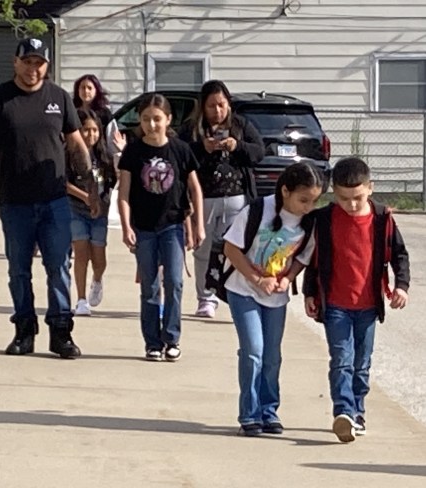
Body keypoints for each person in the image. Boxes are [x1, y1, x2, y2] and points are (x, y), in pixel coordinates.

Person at [0, 38, 98, 359]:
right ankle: (24, 331)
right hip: (15, 201)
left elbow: (75, 143)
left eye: (39, 63)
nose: (33, 69)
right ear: (16, 63)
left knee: (58, 267)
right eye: (27, 62)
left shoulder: (58, 98)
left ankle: (61, 333)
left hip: (54, 200)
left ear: (47, 65)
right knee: (19, 270)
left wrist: (90, 184)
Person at [303, 157, 410, 443]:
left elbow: (399, 255)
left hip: (368, 305)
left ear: (371, 188)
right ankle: (344, 412)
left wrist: (402, 286)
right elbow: (313, 260)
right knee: (342, 359)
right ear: (333, 193)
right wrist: (309, 292)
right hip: (335, 304)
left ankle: (358, 411)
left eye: (357, 198)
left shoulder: (381, 219)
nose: (350, 205)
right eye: (343, 198)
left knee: (362, 364)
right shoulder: (323, 220)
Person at [222, 162, 325, 436]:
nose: (308, 207)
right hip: (243, 289)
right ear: (285, 191)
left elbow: (302, 257)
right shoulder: (257, 210)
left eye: (314, 201)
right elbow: (231, 249)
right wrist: (257, 279)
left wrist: (287, 278)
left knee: (272, 356)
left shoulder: (310, 222)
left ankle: (269, 411)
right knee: (253, 350)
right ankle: (249, 414)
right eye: (303, 200)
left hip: (276, 296)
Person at [118, 93, 205, 362]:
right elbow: (123, 193)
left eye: (157, 119)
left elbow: (194, 188)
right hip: (144, 228)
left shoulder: (180, 150)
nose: (151, 125)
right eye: (146, 119)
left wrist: (198, 224)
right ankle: (152, 342)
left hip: (172, 226)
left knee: (175, 282)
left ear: (168, 119)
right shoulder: (133, 152)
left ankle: (172, 337)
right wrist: (125, 227)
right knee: (150, 286)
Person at [179, 80, 264, 318]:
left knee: (233, 249)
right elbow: (179, 154)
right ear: (202, 107)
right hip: (203, 197)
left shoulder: (241, 125)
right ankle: (206, 298)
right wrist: (201, 148)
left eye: (222, 105)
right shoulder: (192, 129)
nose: (217, 111)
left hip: (236, 197)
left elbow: (259, 152)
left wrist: (237, 146)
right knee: (203, 249)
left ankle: (233, 294)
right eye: (211, 106)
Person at [66, 108, 117, 316]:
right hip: (76, 210)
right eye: (86, 130)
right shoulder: (70, 153)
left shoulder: (102, 156)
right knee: (81, 254)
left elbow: (110, 181)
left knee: (99, 259)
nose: (91, 135)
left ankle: (97, 279)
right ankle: (80, 300)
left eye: (95, 130)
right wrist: (85, 197)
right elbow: (64, 183)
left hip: (99, 213)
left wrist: (98, 200)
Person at [73, 74, 126, 162]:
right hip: (76, 158)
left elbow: (111, 139)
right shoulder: (71, 111)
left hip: (99, 158)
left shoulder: (105, 114)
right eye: (82, 87)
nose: (86, 91)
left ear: (96, 90)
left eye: (89, 88)